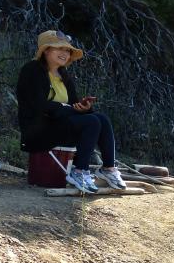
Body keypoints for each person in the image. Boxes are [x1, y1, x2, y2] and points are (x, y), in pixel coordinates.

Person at [17, 30, 126, 194]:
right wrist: (66, 109)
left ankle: (108, 169)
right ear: (46, 50)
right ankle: (79, 171)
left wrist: (84, 108)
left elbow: (72, 106)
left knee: (100, 118)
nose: (65, 53)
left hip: (59, 127)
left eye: (67, 50)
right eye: (59, 48)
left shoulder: (62, 74)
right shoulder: (32, 70)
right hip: (38, 133)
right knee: (92, 121)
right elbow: (37, 105)